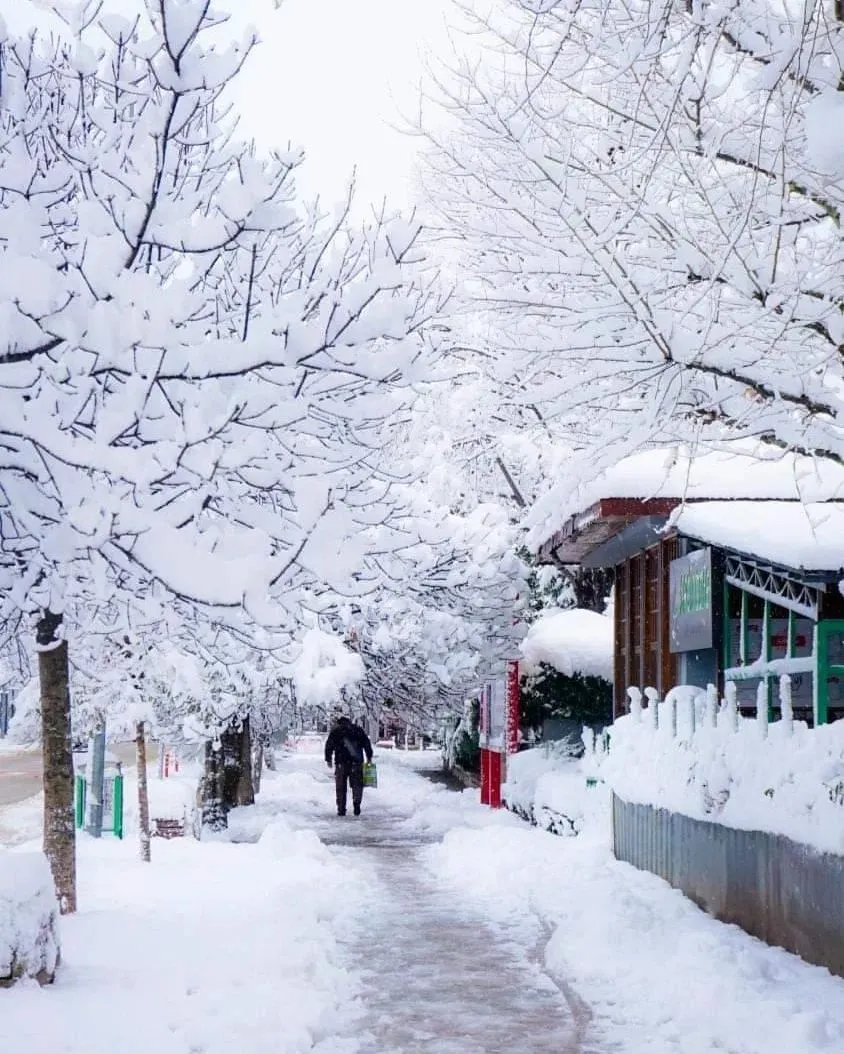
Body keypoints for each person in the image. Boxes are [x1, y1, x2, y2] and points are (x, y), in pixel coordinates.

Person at [324, 715, 373, 816]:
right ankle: (357, 804)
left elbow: (329, 745)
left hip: (341, 762)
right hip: (357, 762)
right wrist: (369, 756)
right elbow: (366, 743)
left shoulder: (336, 731)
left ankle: (341, 808)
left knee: (341, 787)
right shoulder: (358, 730)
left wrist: (328, 759)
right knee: (357, 785)